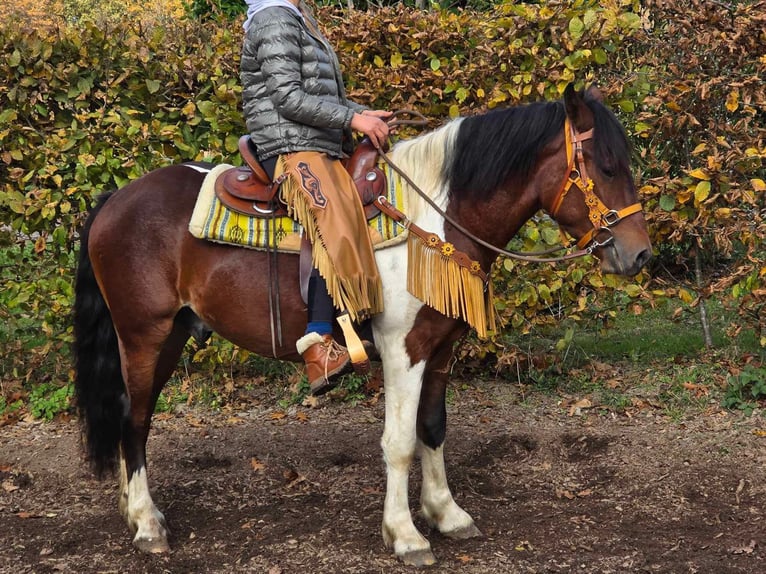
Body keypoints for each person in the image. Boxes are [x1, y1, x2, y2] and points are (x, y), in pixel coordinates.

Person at [240, 0, 390, 395]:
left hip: (316, 142)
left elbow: (323, 95)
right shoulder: (273, 18)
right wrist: (353, 120)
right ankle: (319, 342)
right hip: (290, 145)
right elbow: (288, 98)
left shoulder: (297, 17)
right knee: (332, 214)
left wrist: (362, 113)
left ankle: (356, 321)